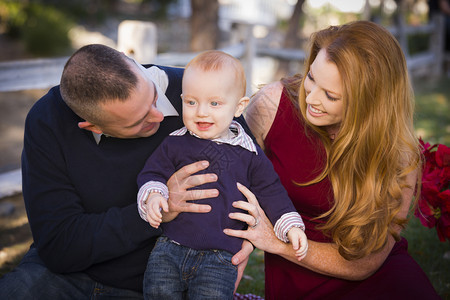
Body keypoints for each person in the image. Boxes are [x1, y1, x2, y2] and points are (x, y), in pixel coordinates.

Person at [0, 44, 253, 299]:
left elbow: (257, 180)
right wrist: (153, 211)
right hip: (66, 277)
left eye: (153, 97)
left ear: (130, 62)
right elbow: (59, 246)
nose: (157, 116)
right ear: (93, 127)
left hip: (162, 279)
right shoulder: (48, 121)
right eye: (139, 121)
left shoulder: (201, 97)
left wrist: (249, 238)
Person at [224, 21, 441, 299]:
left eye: (331, 95)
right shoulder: (273, 105)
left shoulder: (399, 154)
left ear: (369, 102)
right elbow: (225, 173)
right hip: (296, 281)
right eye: (311, 78)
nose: (310, 99)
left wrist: (275, 242)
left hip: (378, 279)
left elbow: (366, 262)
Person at [136, 50, 308, 299]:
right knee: (158, 292)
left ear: (239, 106)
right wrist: (153, 195)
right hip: (170, 247)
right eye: (191, 102)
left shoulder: (248, 153)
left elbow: (271, 191)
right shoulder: (175, 143)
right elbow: (153, 172)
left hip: (220, 255)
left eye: (214, 103)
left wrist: (290, 226)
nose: (201, 112)